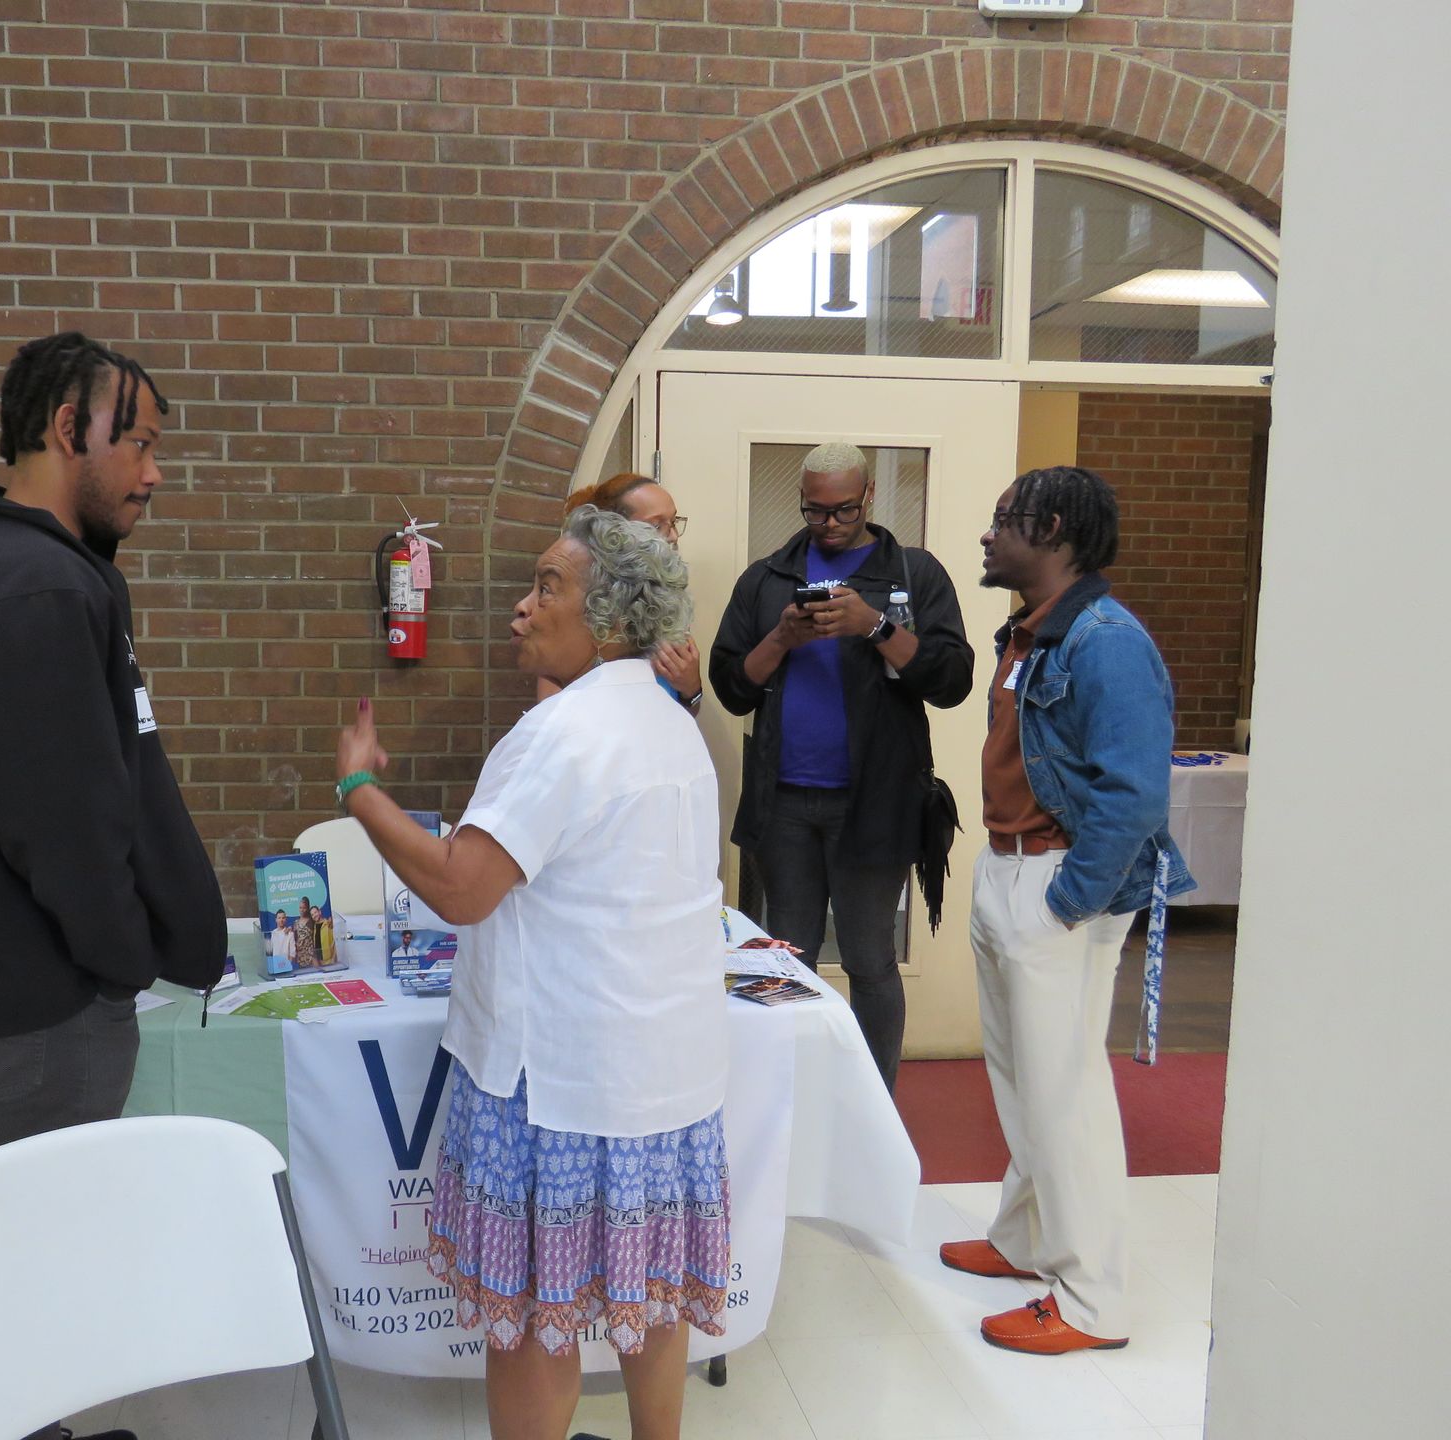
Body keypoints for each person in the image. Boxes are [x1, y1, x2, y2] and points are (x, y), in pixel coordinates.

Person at [0, 332, 227, 1440]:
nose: (155, 473)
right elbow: (63, 826)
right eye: (143, 444)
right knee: (35, 1271)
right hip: (29, 1013)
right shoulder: (36, 588)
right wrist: (118, 961)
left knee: (5, 1260)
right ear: (73, 431)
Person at [335, 505, 728, 1440]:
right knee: (649, 1300)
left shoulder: (567, 733)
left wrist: (359, 791)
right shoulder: (669, 720)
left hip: (554, 1088)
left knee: (526, 1323)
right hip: (663, 1087)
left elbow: (461, 889)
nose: (522, 604)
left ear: (613, 619)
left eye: (547, 585)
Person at [939, 465, 1192, 1356]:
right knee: (1021, 1080)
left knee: (1066, 1092)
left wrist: (1065, 903)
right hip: (1008, 868)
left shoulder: (1106, 642)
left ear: (1050, 529)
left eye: (1002, 520)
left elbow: (1134, 798)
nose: (986, 534)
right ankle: (1023, 1238)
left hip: (1058, 887)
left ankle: (1091, 1302)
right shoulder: (1034, 633)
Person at [707, 441, 973, 1093]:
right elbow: (730, 685)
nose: (828, 523)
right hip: (786, 805)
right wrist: (782, 638)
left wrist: (874, 624)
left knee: (870, 959)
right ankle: (785, 1095)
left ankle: (872, 1101)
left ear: (869, 497)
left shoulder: (915, 573)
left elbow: (952, 680)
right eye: (815, 510)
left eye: (843, 509)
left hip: (875, 804)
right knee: (785, 959)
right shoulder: (768, 578)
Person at [538, 472, 702, 713]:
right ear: (613, 531)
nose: (673, 536)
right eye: (657, 525)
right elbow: (550, 716)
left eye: (674, 522)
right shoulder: (573, 609)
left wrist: (691, 689)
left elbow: (683, 713)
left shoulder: (666, 607)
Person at [268, 908, 297, 977]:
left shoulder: (290, 933)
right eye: (279, 918)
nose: (281, 920)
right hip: (276, 967)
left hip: (286, 967)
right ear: (276, 919)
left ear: (286, 919)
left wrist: (287, 965)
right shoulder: (273, 933)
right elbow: (271, 950)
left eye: (283, 918)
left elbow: (292, 952)